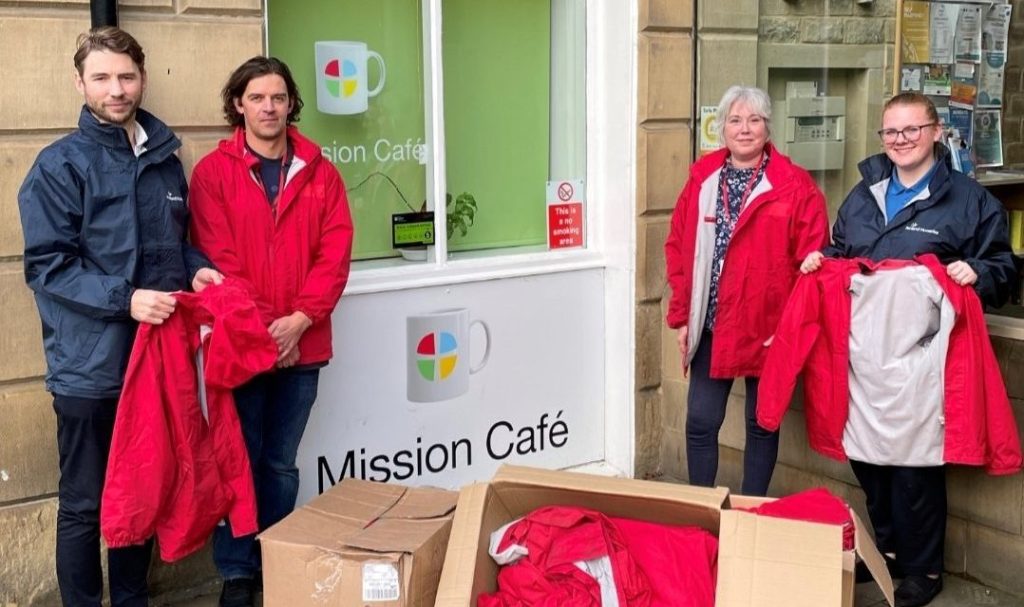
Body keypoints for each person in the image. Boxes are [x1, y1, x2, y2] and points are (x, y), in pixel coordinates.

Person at [17, 26, 223, 607]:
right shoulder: (59, 165)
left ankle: (132, 600)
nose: (116, 89)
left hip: (153, 362)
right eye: (102, 77)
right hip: (89, 367)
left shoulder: (163, 159)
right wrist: (126, 299)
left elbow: (173, 246)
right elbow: (49, 266)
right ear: (79, 81)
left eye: (126, 76)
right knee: (84, 502)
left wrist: (198, 268)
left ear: (143, 79)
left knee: (141, 490)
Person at [800, 92, 1016, 607]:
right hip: (861, 358)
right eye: (890, 132)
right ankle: (892, 551)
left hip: (924, 361)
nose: (900, 141)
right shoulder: (862, 196)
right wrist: (820, 261)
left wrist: (980, 272)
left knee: (914, 468)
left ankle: (924, 570)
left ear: (936, 132)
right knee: (868, 462)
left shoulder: (969, 201)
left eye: (911, 130)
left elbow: (1005, 269)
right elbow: (840, 250)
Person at [189, 56, 354, 607]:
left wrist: (300, 321)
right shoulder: (213, 174)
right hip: (242, 346)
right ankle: (237, 572)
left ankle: (277, 562)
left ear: (290, 104)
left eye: (278, 98)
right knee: (237, 460)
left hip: (303, 344)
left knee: (279, 463)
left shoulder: (319, 170)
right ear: (238, 104)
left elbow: (335, 252)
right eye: (257, 97)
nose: (268, 107)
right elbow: (220, 255)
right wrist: (267, 333)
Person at [664, 85, 829, 496]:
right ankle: (701, 505)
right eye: (735, 121)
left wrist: (791, 325)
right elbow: (679, 248)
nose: (744, 129)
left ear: (767, 128)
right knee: (701, 421)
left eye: (754, 120)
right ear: (721, 128)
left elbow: (814, 260)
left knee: (762, 422)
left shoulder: (795, 184)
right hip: (713, 321)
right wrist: (683, 316)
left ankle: (754, 510)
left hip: (766, 326)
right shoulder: (702, 177)